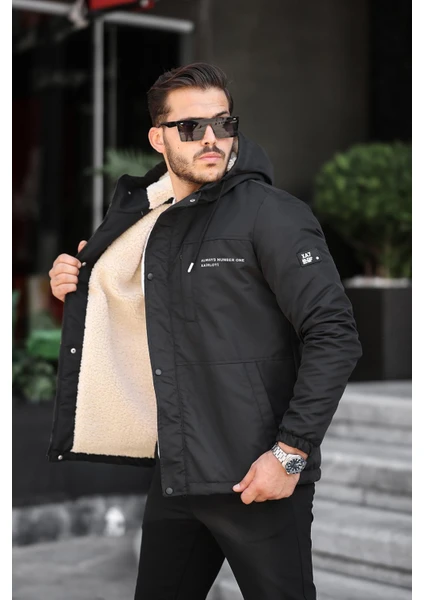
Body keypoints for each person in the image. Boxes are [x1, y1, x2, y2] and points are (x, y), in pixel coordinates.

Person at [48, 62, 362, 600]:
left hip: (258, 478)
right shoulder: (152, 222)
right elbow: (136, 318)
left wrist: (290, 453)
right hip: (177, 474)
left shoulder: (272, 214)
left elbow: (335, 333)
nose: (211, 138)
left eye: (224, 123)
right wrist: (78, 286)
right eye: (191, 127)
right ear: (158, 138)